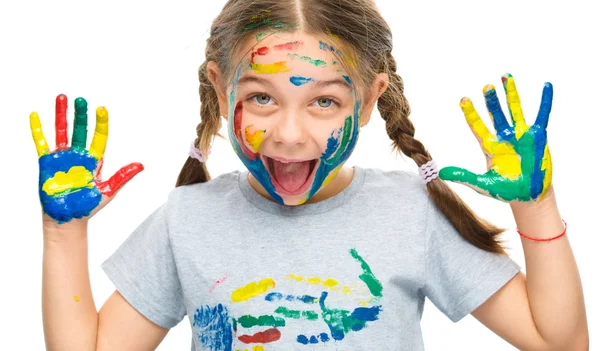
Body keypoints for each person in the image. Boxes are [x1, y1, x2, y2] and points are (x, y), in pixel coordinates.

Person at [36, 0, 588, 350]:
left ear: (369, 100)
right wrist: (63, 234)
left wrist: (535, 204)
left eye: (324, 101)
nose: (290, 133)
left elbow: (558, 342)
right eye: (260, 98)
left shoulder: (410, 213)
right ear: (219, 89)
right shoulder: (187, 218)